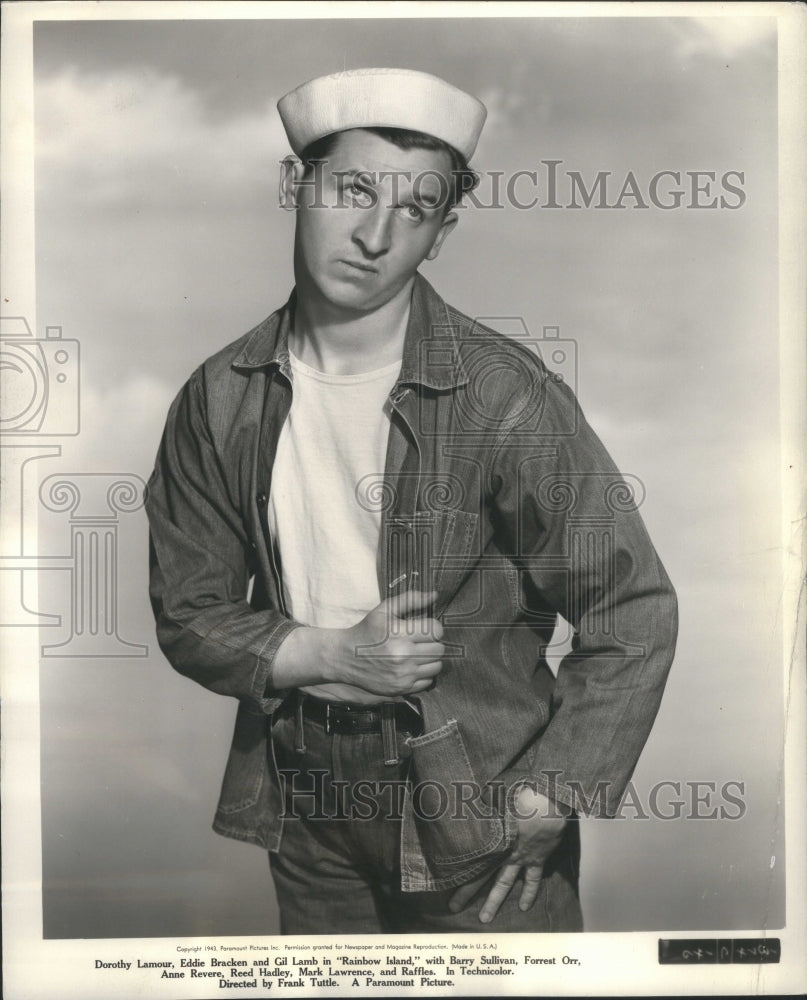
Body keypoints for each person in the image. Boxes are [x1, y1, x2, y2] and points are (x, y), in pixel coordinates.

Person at [145, 67, 678, 934]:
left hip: (479, 798)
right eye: (352, 188)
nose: (372, 233)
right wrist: (332, 654)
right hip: (303, 794)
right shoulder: (217, 399)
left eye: (414, 210)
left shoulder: (503, 397)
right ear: (294, 185)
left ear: (440, 234)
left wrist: (553, 791)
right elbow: (189, 614)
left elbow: (632, 606)